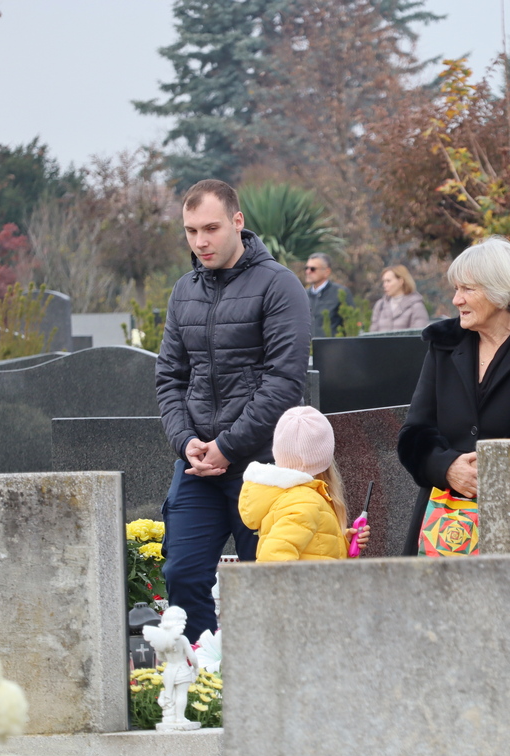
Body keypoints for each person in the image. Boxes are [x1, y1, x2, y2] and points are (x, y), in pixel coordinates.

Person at [156, 178, 311, 640]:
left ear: (237, 222)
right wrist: (186, 442)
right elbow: (170, 379)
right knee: (181, 574)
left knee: (265, 584)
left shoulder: (279, 285)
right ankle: (205, 670)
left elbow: (284, 383)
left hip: (264, 463)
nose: (200, 241)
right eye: (191, 231)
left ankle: (264, 675)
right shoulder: (184, 291)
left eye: (211, 228)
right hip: (198, 464)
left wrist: (227, 446)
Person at [397, 236, 510, 555]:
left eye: (467, 289)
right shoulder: (443, 344)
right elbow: (414, 432)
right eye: (456, 288)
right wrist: (447, 467)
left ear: (500, 291)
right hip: (442, 523)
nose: (456, 299)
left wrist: (497, 469)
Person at [238, 405, 369, 561]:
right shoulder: (305, 502)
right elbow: (273, 562)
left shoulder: (293, 497)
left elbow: (311, 550)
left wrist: (341, 543)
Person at [304, 252, 353, 337]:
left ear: (327, 271)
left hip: (333, 344)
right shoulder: (303, 295)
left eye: (312, 269)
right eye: (306, 268)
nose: (308, 272)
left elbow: (351, 324)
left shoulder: (340, 293)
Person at [369, 265, 429, 332]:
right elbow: (373, 333)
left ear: (401, 281)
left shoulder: (416, 306)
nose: (384, 285)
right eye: (384, 281)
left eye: (388, 281)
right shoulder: (380, 306)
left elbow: (417, 334)